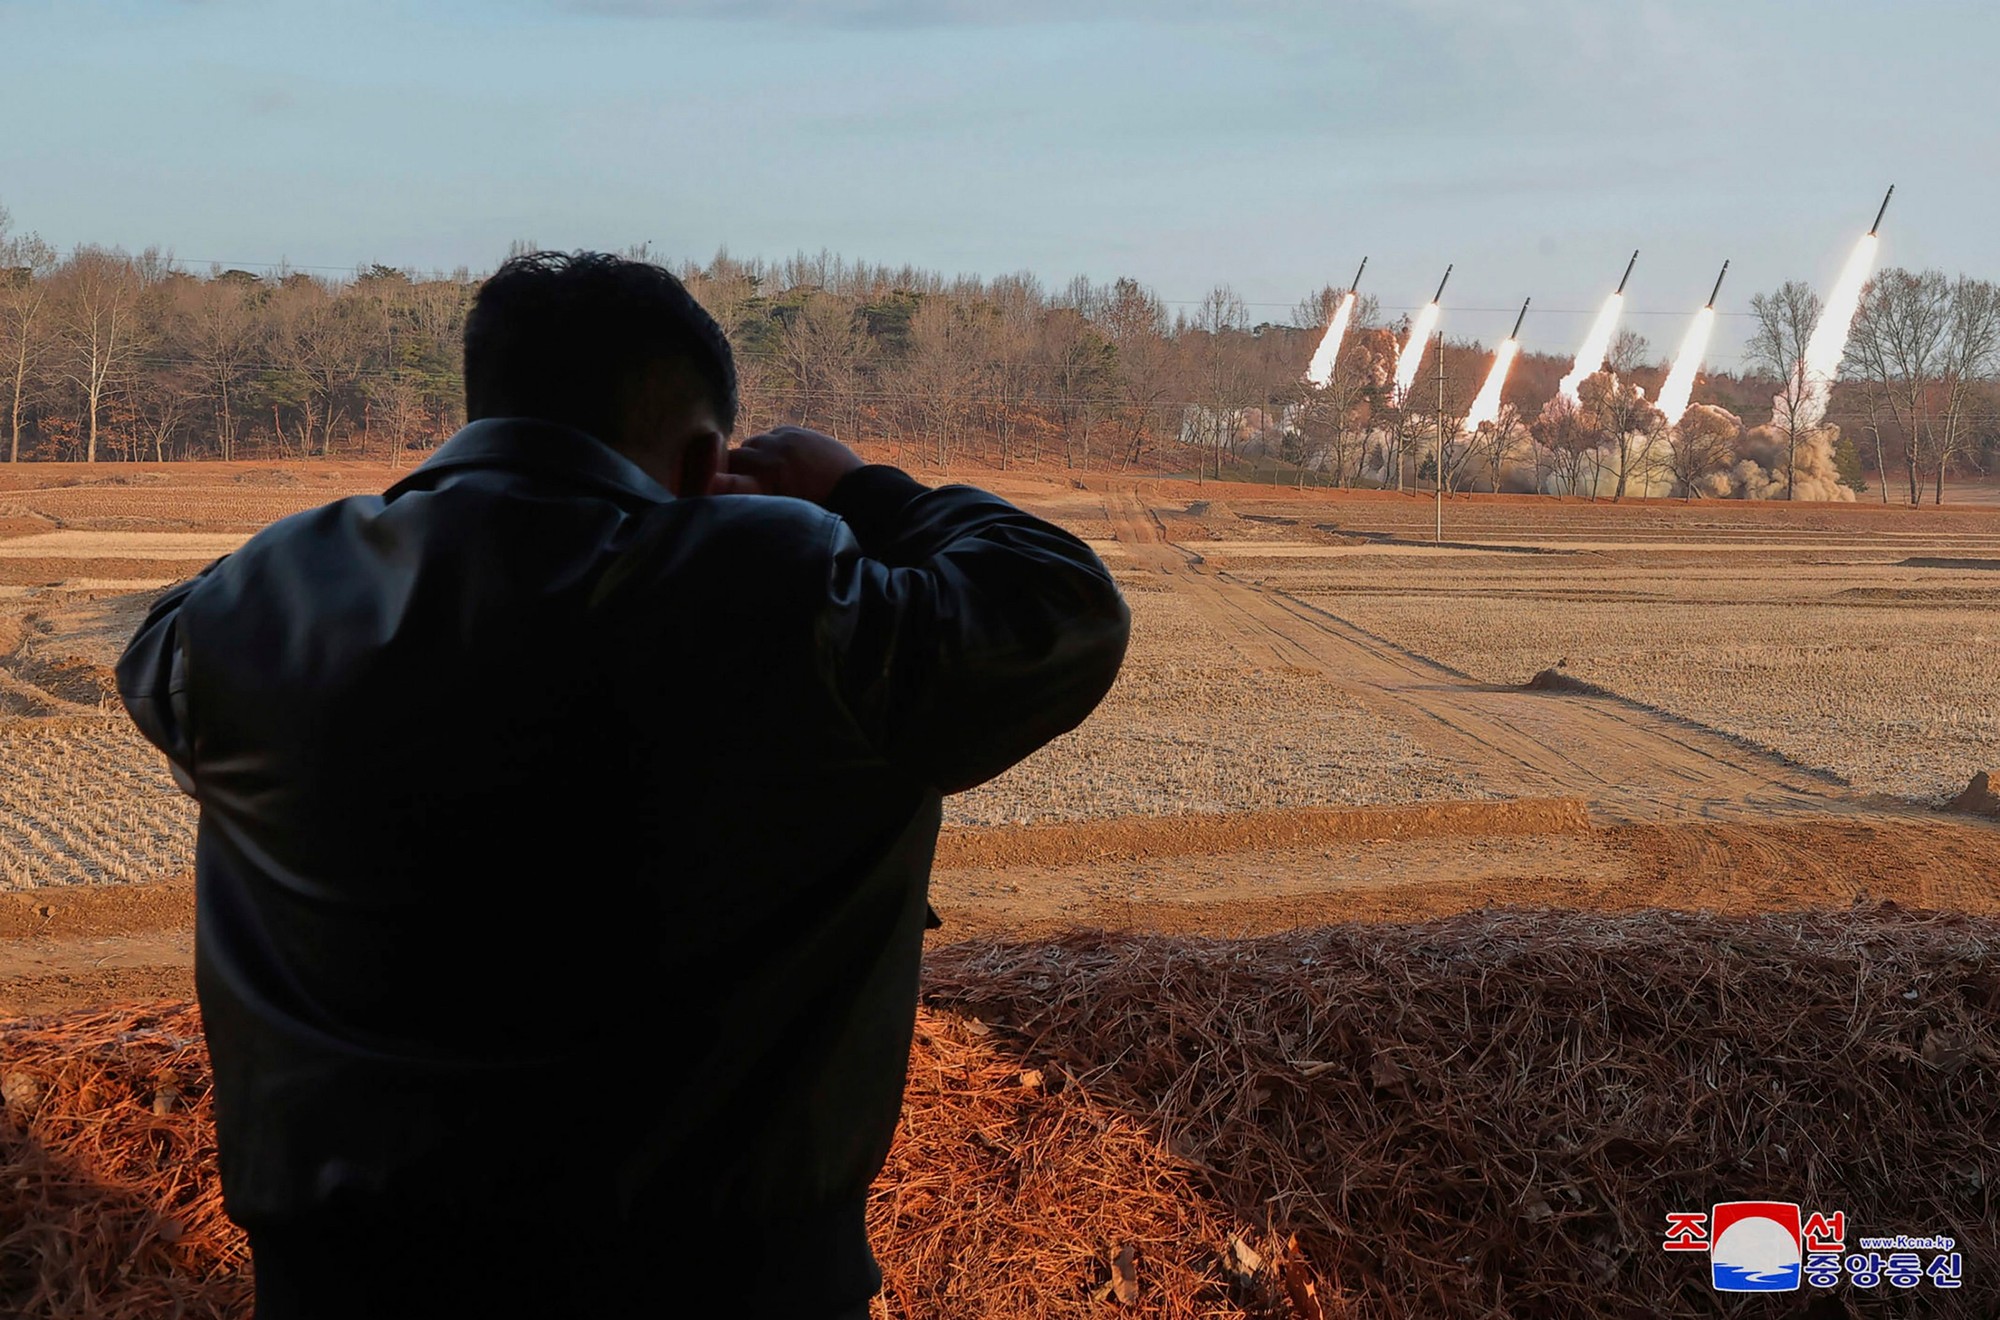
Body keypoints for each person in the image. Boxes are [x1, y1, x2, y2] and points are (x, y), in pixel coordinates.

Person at [117, 251, 1130, 1319]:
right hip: (728, 1285)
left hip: (341, 1284)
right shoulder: (785, 601)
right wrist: (858, 491)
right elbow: (1058, 606)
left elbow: (171, 665)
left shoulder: (247, 609)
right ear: (704, 459)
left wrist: (437, 506)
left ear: (476, 406)